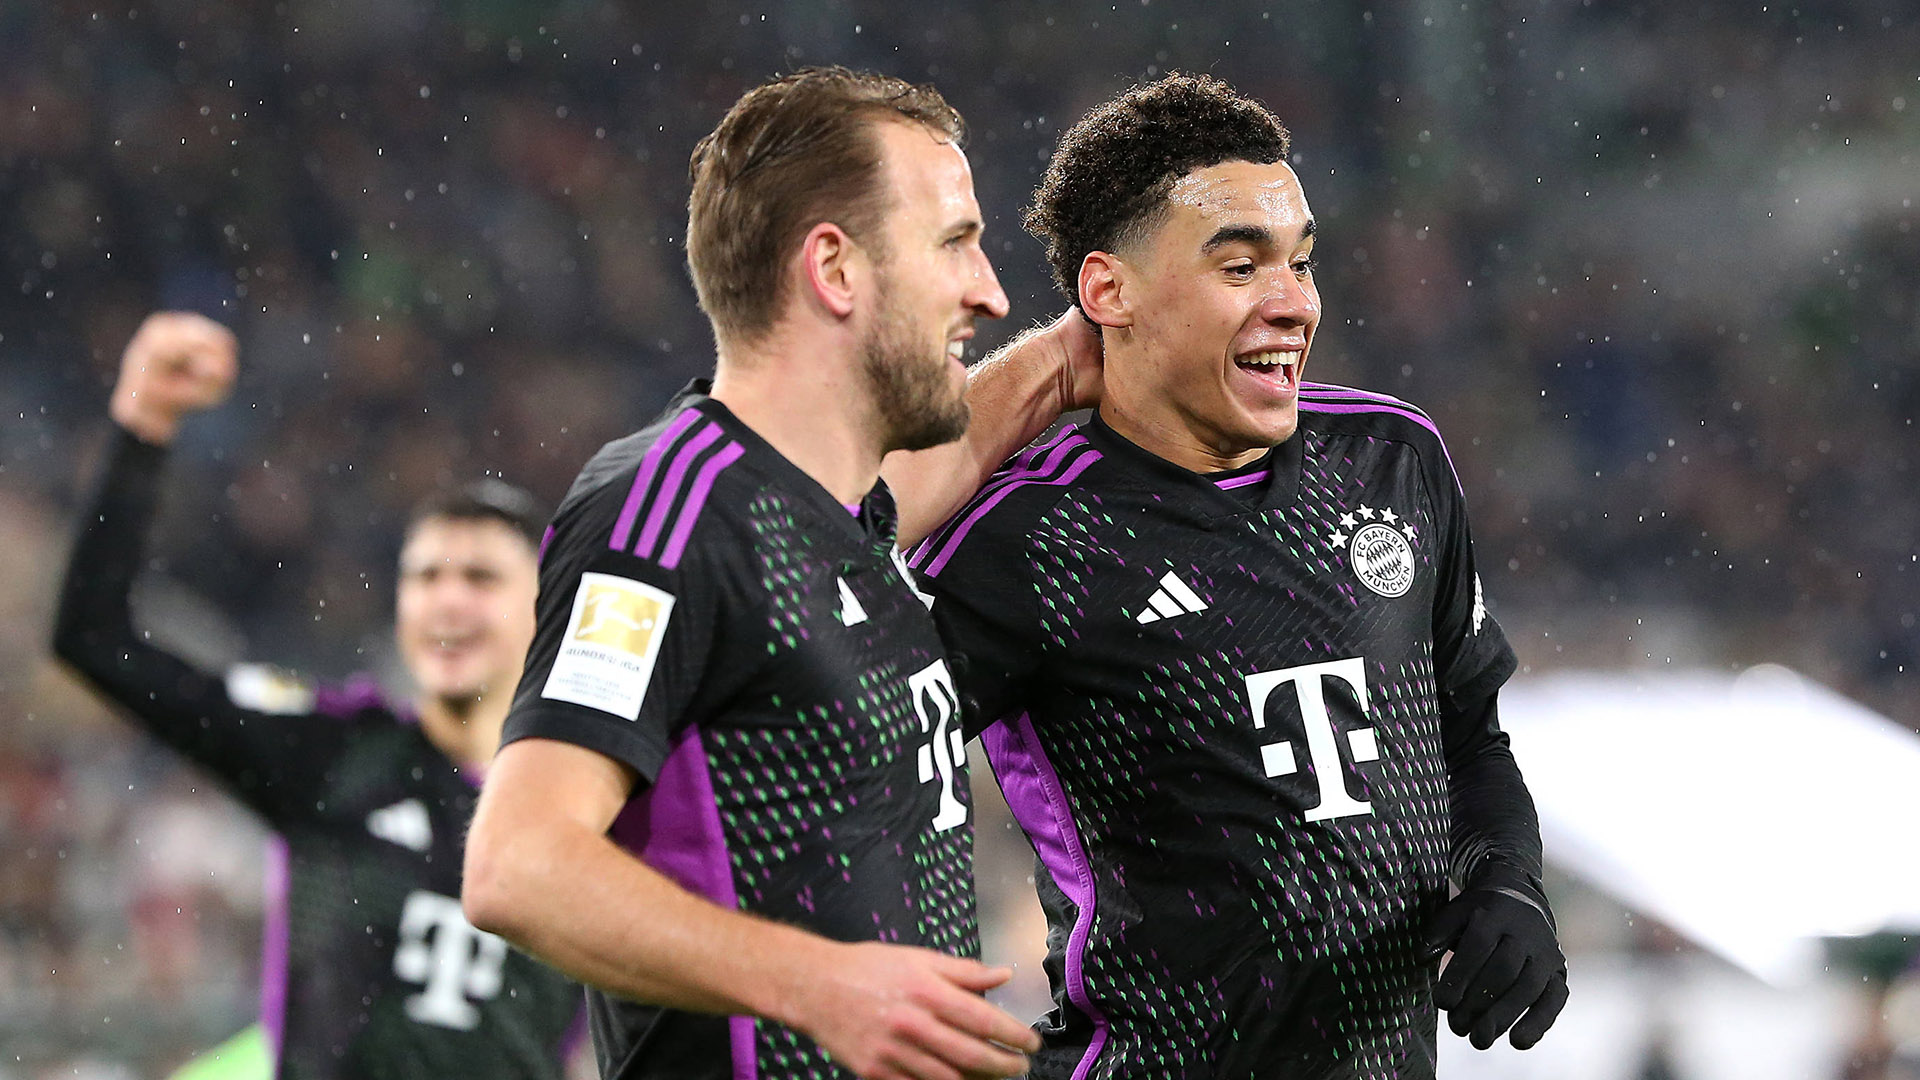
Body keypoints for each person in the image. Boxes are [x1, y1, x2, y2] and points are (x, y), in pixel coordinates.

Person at [906, 74, 1568, 1079]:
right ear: (1109, 292)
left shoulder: (1395, 459)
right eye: (1240, 264)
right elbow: (836, 721)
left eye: (1300, 261)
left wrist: (1509, 878)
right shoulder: (1022, 538)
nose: (1292, 302)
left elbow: (1469, 733)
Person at [460, 67, 1100, 1080]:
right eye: (954, 243)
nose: (990, 288)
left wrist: (1069, 360)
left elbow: (942, 459)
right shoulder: (666, 510)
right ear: (835, 271)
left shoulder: (833, 512)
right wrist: (818, 984)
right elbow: (519, 866)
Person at [52, 311, 585, 1079]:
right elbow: (95, 639)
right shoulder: (339, 751)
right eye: (426, 577)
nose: (447, 603)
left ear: (543, 611)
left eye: (480, 579)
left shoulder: (591, 810)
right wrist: (143, 425)